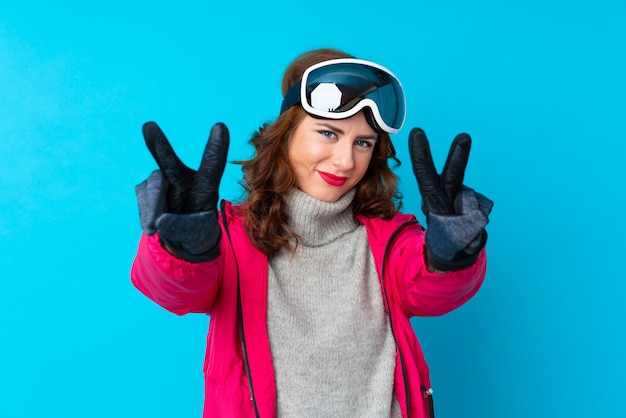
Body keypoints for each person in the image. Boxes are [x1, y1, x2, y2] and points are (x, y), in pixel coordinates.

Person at [131, 48, 493, 418]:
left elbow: (432, 292)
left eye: (363, 142)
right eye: (328, 133)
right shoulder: (229, 238)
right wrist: (183, 250)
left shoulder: (392, 240)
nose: (345, 161)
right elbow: (173, 292)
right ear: (286, 136)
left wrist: (450, 254)